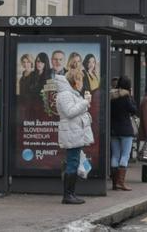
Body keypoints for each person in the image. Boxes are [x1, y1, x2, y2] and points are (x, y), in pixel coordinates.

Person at [56, 68, 94, 205]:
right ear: (75, 80)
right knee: (72, 163)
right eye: (80, 79)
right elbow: (70, 112)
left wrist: (85, 103)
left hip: (74, 132)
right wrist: (85, 102)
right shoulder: (65, 94)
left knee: (74, 162)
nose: (82, 82)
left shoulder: (72, 93)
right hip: (71, 132)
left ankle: (71, 194)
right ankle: (68, 195)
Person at [110, 76, 137, 191]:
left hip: (113, 129)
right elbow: (134, 110)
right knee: (125, 155)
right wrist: (131, 97)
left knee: (115, 155)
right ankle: (121, 182)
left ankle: (114, 183)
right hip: (125, 129)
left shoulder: (111, 96)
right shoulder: (126, 97)